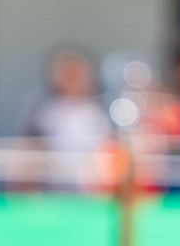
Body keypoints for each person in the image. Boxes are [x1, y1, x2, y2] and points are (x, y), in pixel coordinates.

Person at [18, 46, 111, 191]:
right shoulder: (43, 108)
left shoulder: (99, 109)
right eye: (66, 73)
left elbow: (109, 152)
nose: (71, 78)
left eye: (75, 73)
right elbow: (29, 149)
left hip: (91, 189)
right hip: (52, 188)